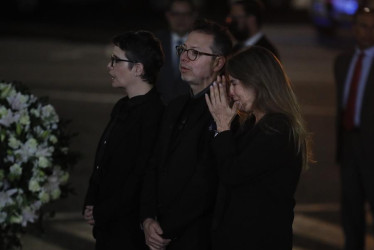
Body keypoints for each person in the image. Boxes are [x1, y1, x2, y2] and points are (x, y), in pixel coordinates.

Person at [205, 46, 311, 249]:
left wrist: (223, 126)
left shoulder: (279, 129)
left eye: (234, 83)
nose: (231, 92)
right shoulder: (253, 122)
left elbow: (233, 173)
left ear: (257, 81)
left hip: (260, 238)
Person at [140, 19, 232, 250]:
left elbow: (207, 181)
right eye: (183, 50)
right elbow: (154, 164)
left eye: (195, 53)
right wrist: (148, 218)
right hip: (160, 231)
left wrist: (167, 228)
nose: (184, 57)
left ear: (218, 62)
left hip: (196, 238)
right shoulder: (176, 105)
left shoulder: (224, 112)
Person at [82, 31, 165, 250]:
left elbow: (139, 177)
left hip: (127, 232)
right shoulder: (122, 106)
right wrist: (91, 200)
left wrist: (102, 210)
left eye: (116, 60)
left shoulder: (154, 115)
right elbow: (103, 158)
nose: (109, 66)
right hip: (108, 224)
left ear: (138, 68)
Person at [334, 7, 374, 250]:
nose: (368, 32)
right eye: (363, 25)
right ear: (353, 27)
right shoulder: (343, 60)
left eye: (373, 26)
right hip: (349, 144)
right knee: (350, 213)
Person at [155, 0, 198, 104]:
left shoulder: (203, 44)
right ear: (168, 15)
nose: (181, 19)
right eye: (176, 14)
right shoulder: (155, 42)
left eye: (186, 14)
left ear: (194, 16)